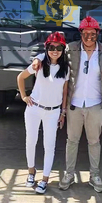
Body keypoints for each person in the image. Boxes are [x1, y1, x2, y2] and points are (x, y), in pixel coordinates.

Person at [32, 16, 102, 193]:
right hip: (74, 105)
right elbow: (53, 53)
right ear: (81, 33)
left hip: (96, 104)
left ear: (97, 34)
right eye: (85, 33)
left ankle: (94, 175)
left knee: (94, 141)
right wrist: (38, 58)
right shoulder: (71, 49)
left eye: (92, 33)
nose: (89, 37)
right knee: (72, 141)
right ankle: (69, 174)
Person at [17, 32, 69, 194]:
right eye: (52, 47)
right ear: (46, 48)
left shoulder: (66, 69)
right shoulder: (39, 65)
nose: (55, 51)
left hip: (53, 112)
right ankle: (31, 172)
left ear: (63, 49)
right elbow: (20, 77)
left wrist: (63, 112)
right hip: (34, 109)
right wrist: (24, 96)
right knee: (31, 141)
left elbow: (65, 92)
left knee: (49, 146)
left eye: (59, 48)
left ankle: (45, 179)